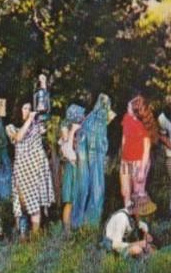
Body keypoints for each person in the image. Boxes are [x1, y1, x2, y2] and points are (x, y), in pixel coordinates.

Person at [6, 102, 55, 240]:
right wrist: (29, 120)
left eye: (29, 108)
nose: (27, 111)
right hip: (22, 171)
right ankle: (21, 237)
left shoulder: (37, 126)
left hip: (36, 169)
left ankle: (35, 239)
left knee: (35, 205)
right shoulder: (11, 127)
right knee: (21, 204)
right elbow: (18, 138)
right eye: (25, 108)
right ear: (19, 110)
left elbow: (46, 121)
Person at [72, 93, 116, 228]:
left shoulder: (89, 120)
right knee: (94, 187)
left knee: (84, 186)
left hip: (87, 156)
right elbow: (102, 145)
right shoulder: (98, 120)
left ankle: (79, 223)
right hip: (93, 156)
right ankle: (89, 224)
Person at [120, 95, 155, 210]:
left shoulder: (145, 124)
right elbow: (124, 137)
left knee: (137, 193)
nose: (127, 108)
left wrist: (142, 170)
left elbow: (147, 149)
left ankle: (140, 217)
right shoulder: (126, 118)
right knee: (125, 191)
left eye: (129, 107)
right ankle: (127, 214)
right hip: (125, 160)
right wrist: (123, 155)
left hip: (139, 162)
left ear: (136, 111)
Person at [58, 104, 85, 232]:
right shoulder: (67, 133)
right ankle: (67, 230)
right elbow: (68, 151)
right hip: (71, 168)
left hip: (80, 168)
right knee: (69, 200)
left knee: (79, 199)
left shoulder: (82, 131)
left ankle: (77, 227)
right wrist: (72, 131)